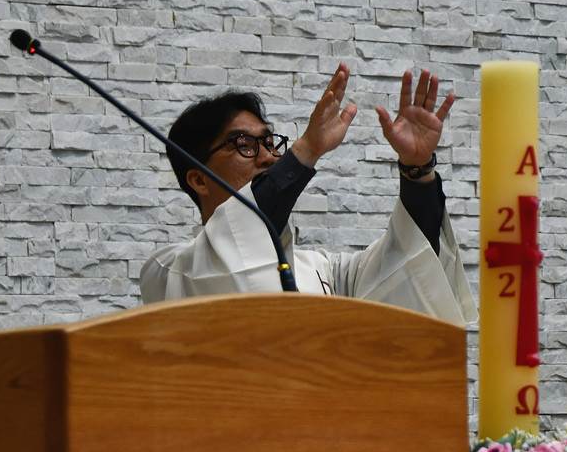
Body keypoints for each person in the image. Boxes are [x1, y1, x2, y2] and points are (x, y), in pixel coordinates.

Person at [141, 64, 476, 324]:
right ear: (199, 180)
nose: (269, 157)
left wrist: (417, 169)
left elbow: (407, 268)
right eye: (244, 144)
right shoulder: (171, 271)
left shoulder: (321, 271)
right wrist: (307, 149)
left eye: (269, 142)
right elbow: (235, 244)